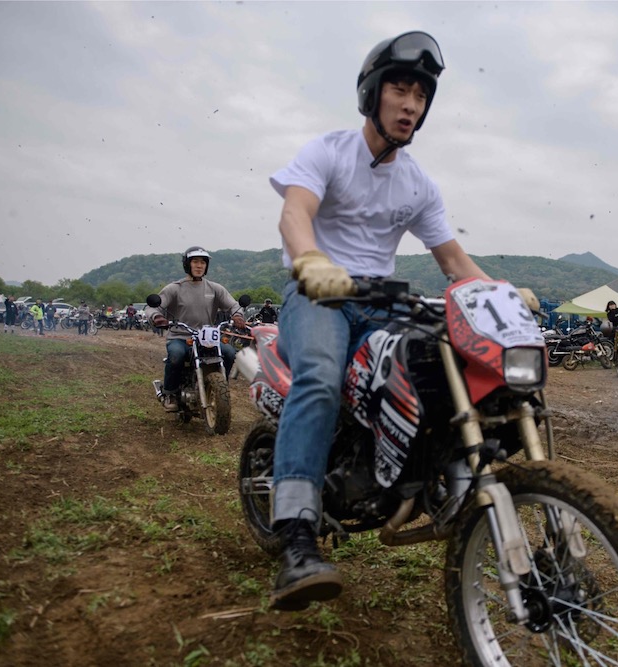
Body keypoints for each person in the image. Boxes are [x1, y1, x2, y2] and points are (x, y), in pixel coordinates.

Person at [264, 31, 538, 612]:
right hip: (319, 299)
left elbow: (453, 262)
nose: (411, 103)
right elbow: (296, 211)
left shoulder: (417, 183)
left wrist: (501, 295)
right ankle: (294, 536)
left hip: (384, 306)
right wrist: (311, 261)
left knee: (438, 372)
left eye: (420, 94)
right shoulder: (329, 152)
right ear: (372, 92)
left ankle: (420, 479)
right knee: (317, 374)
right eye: (400, 88)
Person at [144, 246, 246, 412]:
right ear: (187, 264)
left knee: (229, 352)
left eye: (202, 263)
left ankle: (220, 387)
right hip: (180, 336)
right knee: (176, 355)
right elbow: (152, 307)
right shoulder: (175, 288)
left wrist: (238, 316)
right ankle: (170, 393)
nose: (199, 266)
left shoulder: (215, 289)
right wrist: (157, 317)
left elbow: (234, 305)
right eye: (195, 262)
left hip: (207, 338)